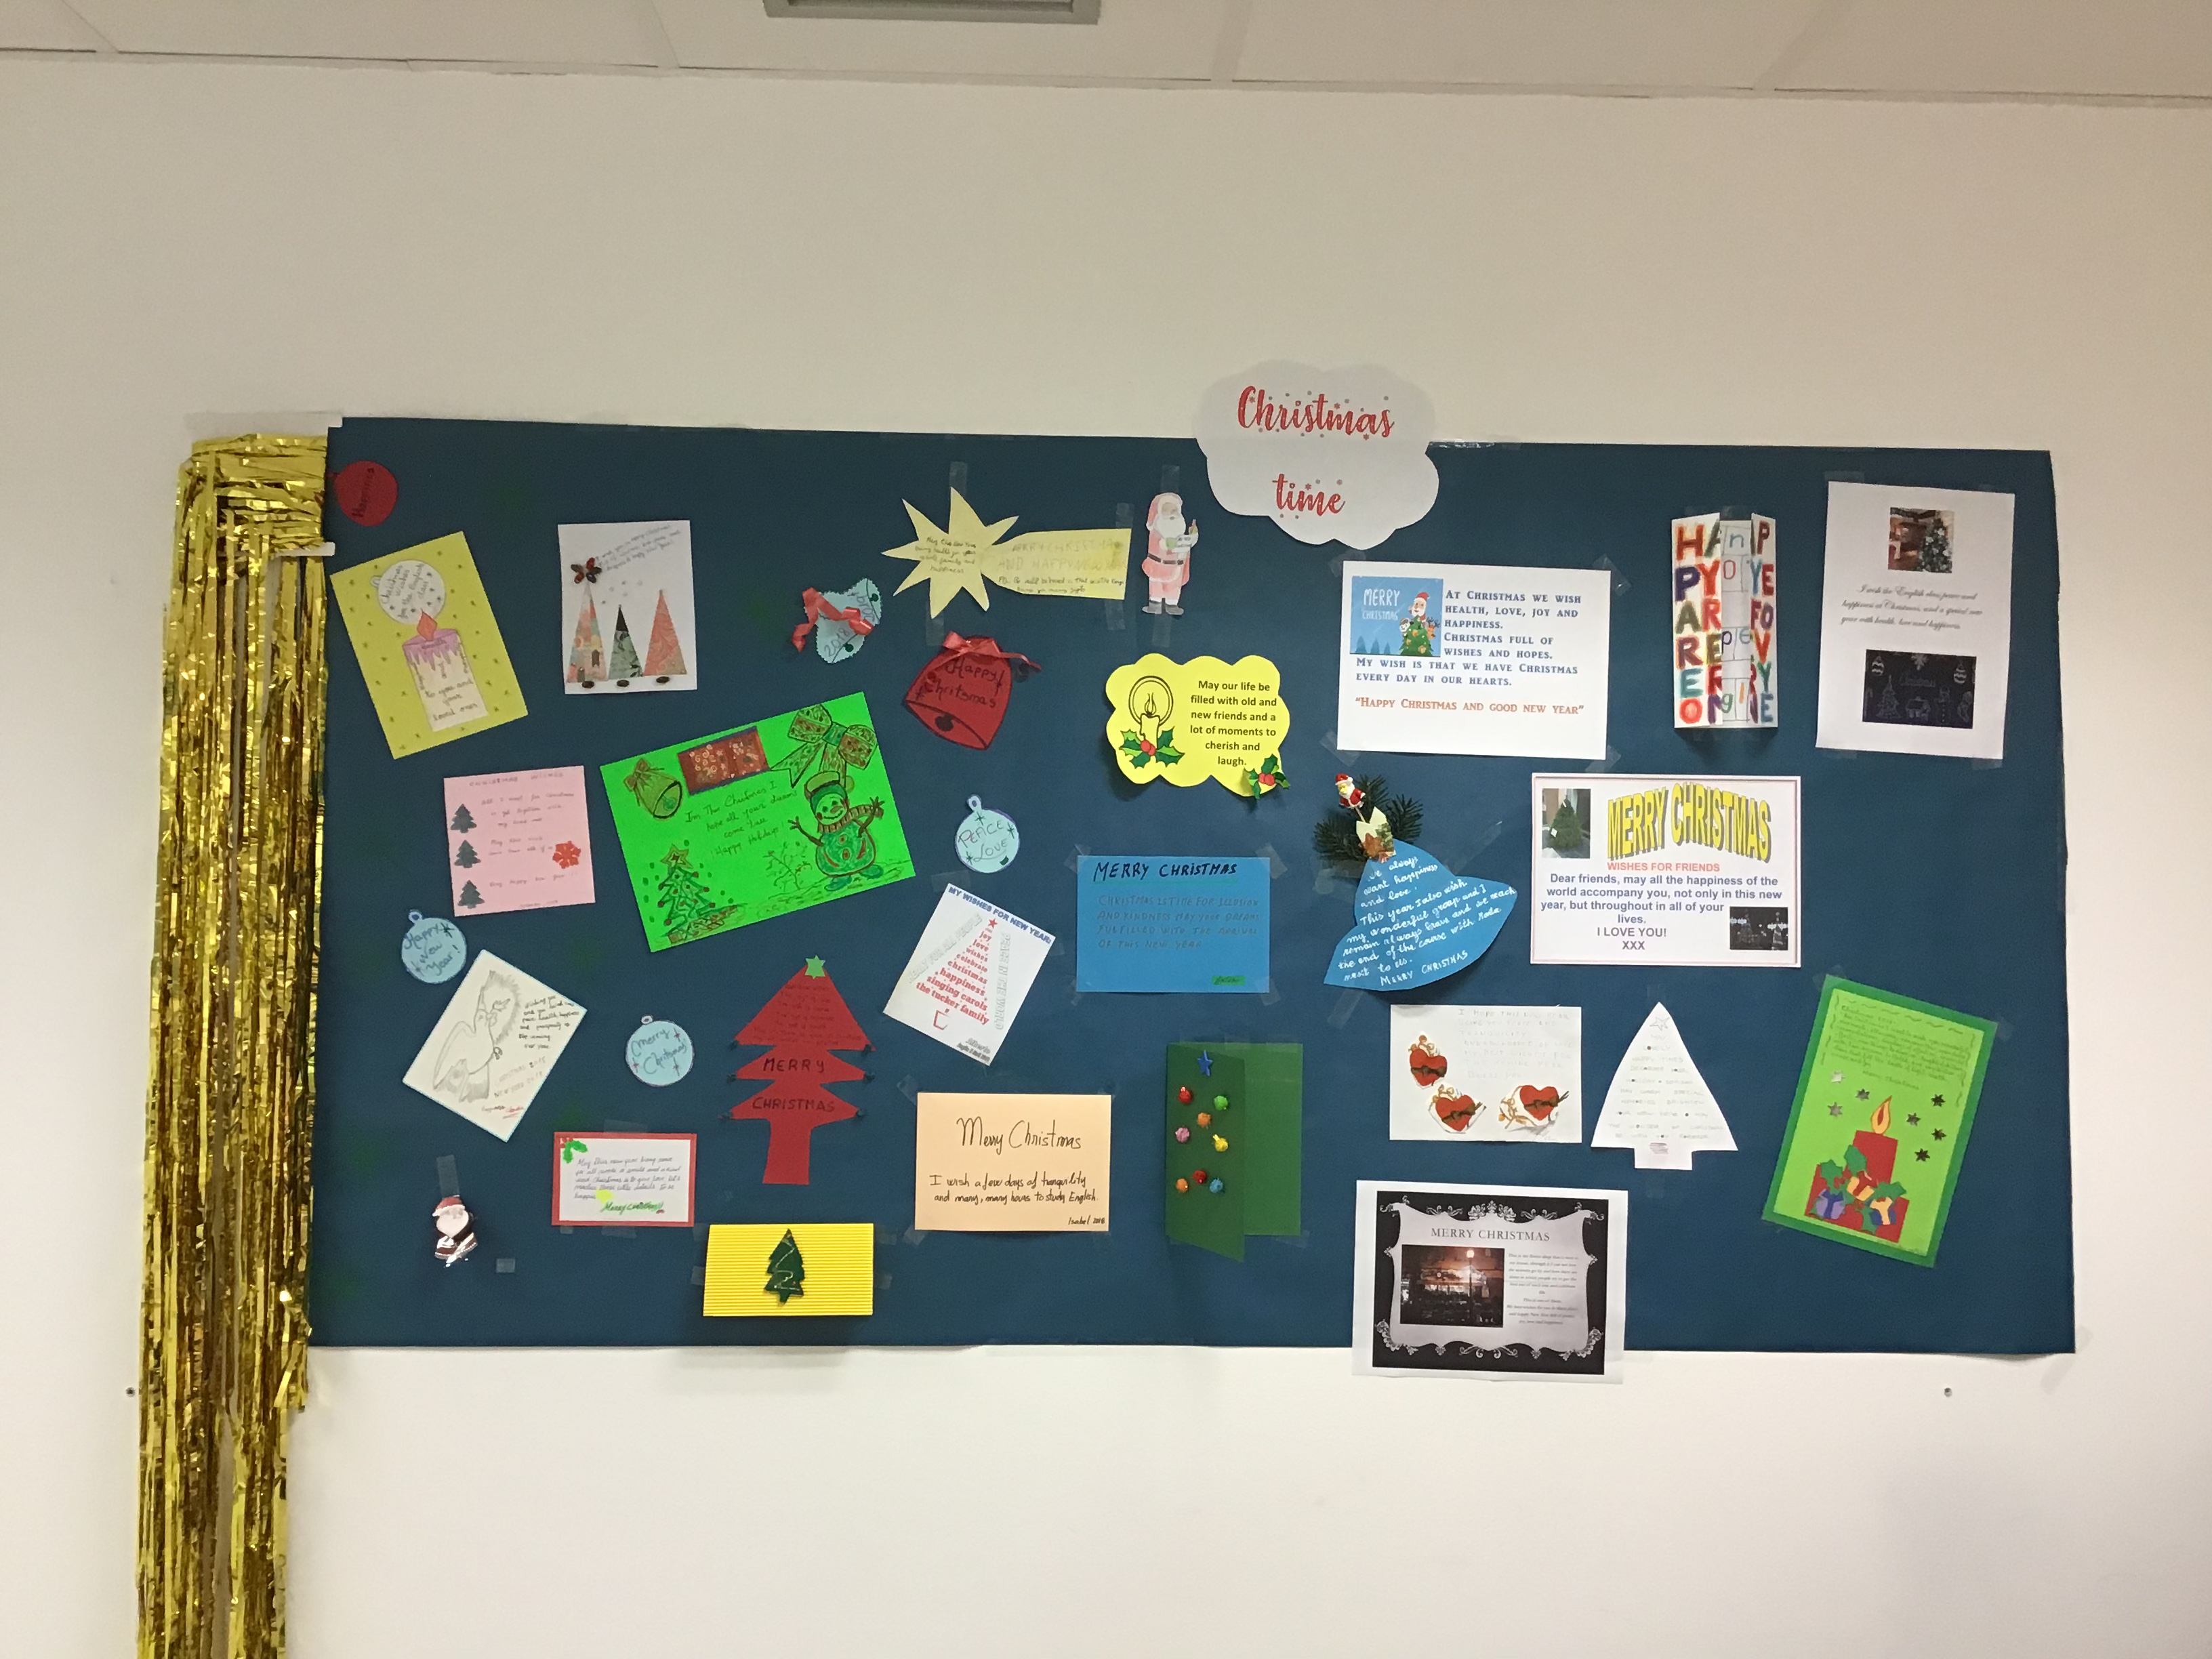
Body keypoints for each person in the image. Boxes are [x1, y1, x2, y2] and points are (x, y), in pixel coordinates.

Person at [1141, 492, 1197, 615]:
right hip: (1158, 566)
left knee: (1174, 587)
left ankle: (1172, 604)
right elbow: (1159, 545)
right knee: (1156, 585)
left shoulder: (1178, 530)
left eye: (1174, 510)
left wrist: (1192, 537)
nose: (1172, 514)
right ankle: (1155, 604)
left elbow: (1185, 546)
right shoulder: (1157, 530)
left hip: (1175, 566)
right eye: (1167, 510)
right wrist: (1167, 544)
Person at [1399, 591, 1436, 656]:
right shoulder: (1411, 623)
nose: (1417, 607)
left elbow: (1429, 635)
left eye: (1421, 605)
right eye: (1416, 604)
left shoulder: (1425, 623)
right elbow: (1406, 632)